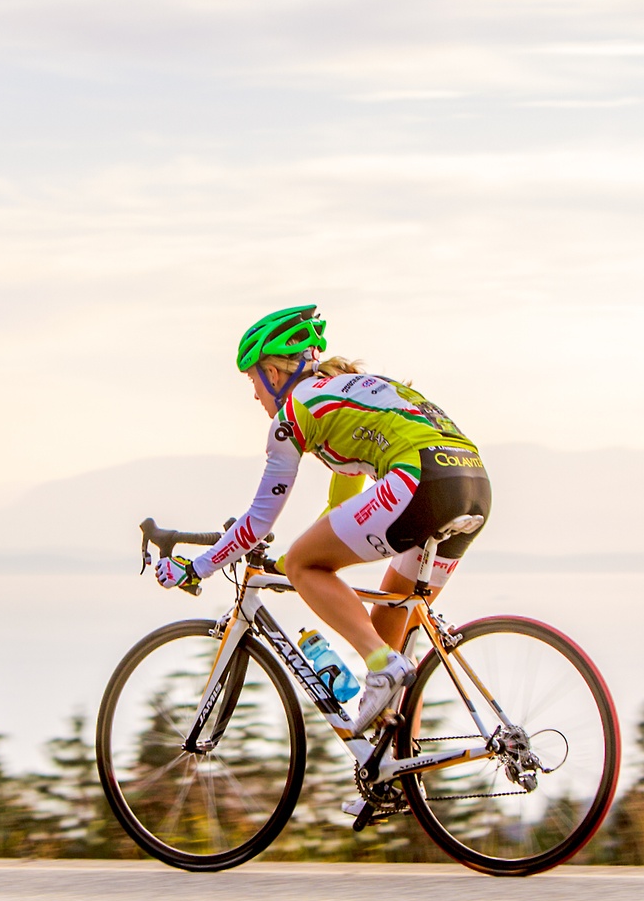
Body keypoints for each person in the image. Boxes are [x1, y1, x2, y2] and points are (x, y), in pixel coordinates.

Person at [152, 304, 491, 735]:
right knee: (390, 629)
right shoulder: (346, 394)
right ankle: (403, 771)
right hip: (472, 483)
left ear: (272, 374)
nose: (255, 394)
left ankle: (383, 668)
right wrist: (290, 557)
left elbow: (258, 520)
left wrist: (196, 567)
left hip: (422, 480)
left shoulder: (293, 412)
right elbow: (339, 512)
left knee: (306, 569)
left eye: (252, 382)